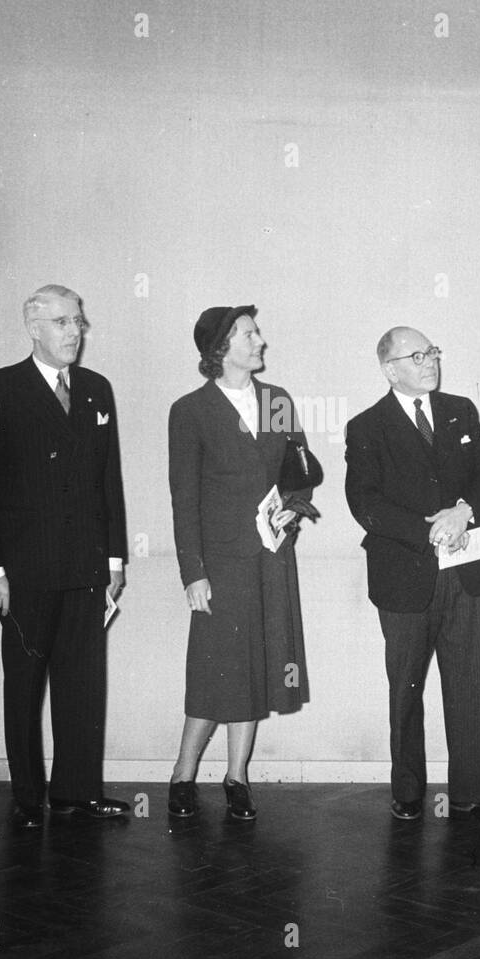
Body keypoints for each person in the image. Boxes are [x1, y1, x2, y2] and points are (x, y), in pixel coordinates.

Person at [0, 285, 128, 828]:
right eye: (60, 322)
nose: (74, 331)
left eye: (78, 321)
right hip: (24, 571)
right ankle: (28, 796)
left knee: (83, 684)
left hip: (84, 566)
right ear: (33, 328)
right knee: (25, 686)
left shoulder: (97, 390)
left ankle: (77, 791)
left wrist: (116, 559)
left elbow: (109, 480)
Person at [344, 327, 480, 822]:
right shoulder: (366, 427)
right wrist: (428, 530)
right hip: (404, 576)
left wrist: (464, 512)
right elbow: (364, 503)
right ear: (390, 370)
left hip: (466, 572)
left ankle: (477, 793)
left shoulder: (461, 411)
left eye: (433, 352)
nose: (430, 362)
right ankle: (407, 793)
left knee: (473, 686)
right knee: (406, 687)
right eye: (417, 355)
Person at [167, 307, 312, 821]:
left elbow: (300, 474)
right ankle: (183, 776)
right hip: (221, 564)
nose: (260, 341)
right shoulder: (191, 411)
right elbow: (183, 499)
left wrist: (291, 512)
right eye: (249, 334)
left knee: (254, 668)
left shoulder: (278, 402)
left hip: (270, 558)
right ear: (221, 348)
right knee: (213, 671)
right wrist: (193, 572)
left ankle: (237, 778)